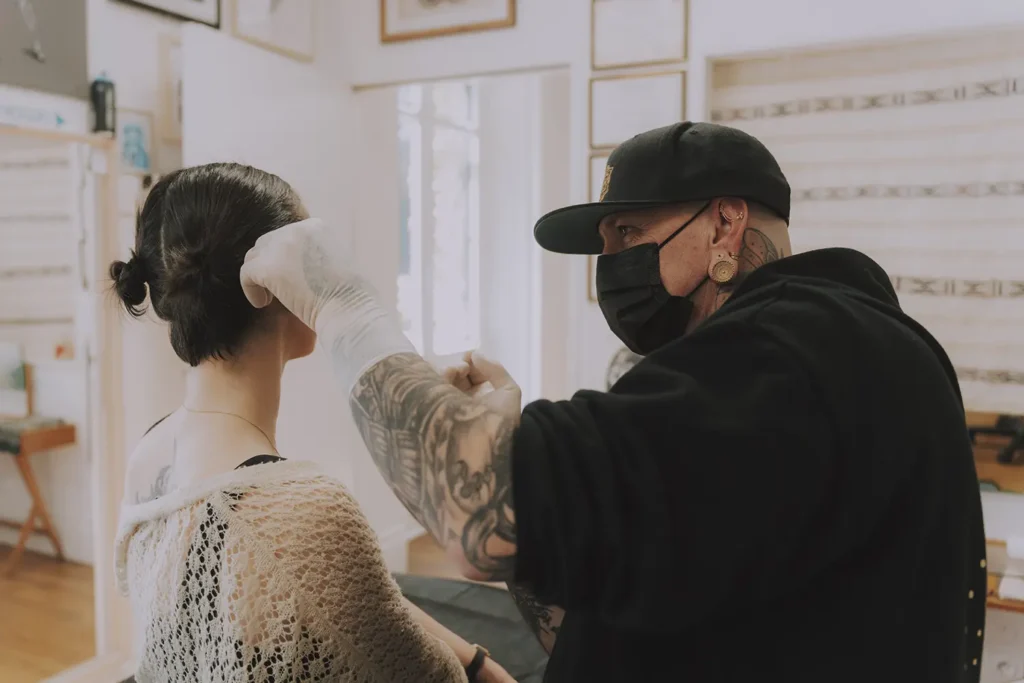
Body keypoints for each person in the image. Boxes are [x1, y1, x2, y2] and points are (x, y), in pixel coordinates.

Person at [239, 122, 988, 683]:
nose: (610, 266)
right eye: (604, 244)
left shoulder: (797, 350)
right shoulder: (820, 358)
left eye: (629, 233)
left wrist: (349, 311)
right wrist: (507, 419)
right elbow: (619, 589)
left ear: (726, 224)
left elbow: (481, 512)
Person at [111, 163, 515, 683]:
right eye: (311, 255)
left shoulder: (150, 453)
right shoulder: (301, 509)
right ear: (266, 283)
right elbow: (430, 675)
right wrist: (486, 671)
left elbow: (368, 609)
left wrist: (477, 657)